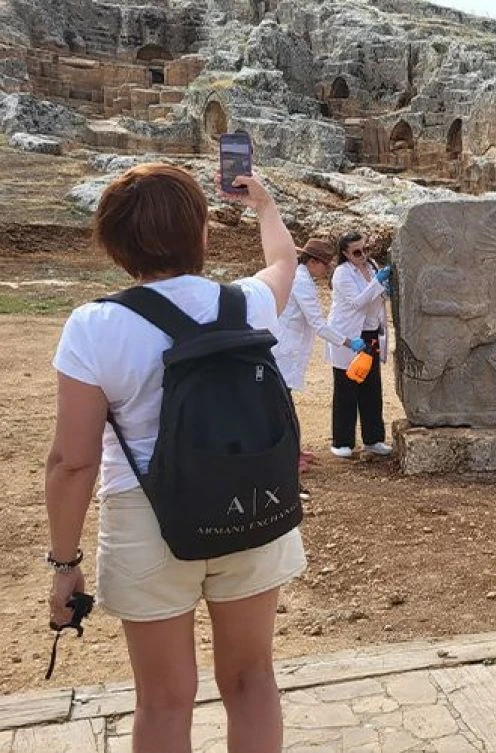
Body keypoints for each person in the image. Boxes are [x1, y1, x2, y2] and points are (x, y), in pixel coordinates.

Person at [45, 164, 305, 752]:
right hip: (251, 504)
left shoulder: (94, 326)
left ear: (114, 245)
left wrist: (65, 565)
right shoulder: (247, 304)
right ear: (203, 233)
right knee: (251, 679)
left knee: (163, 701)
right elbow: (285, 264)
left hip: (148, 517)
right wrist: (263, 204)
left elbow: (72, 462)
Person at [272, 238, 363, 477]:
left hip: (290, 347)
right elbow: (318, 323)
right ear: (313, 262)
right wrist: (347, 341)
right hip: (285, 350)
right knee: (282, 406)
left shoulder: (303, 278)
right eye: (325, 264)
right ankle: (287, 457)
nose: (328, 270)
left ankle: (293, 451)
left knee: (285, 403)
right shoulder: (300, 282)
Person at [326, 231, 393, 458]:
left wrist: (384, 288)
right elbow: (357, 302)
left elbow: (377, 296)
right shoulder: (342, 274)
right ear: (345, 253)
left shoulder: (372, 266)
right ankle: (342, 440)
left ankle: (373, 438)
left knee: (371, 385)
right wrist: (377, 282)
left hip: (370, 331)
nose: (362, 255)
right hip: (349, 334)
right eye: (356, 252)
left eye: (365, 249)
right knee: (347, 385)